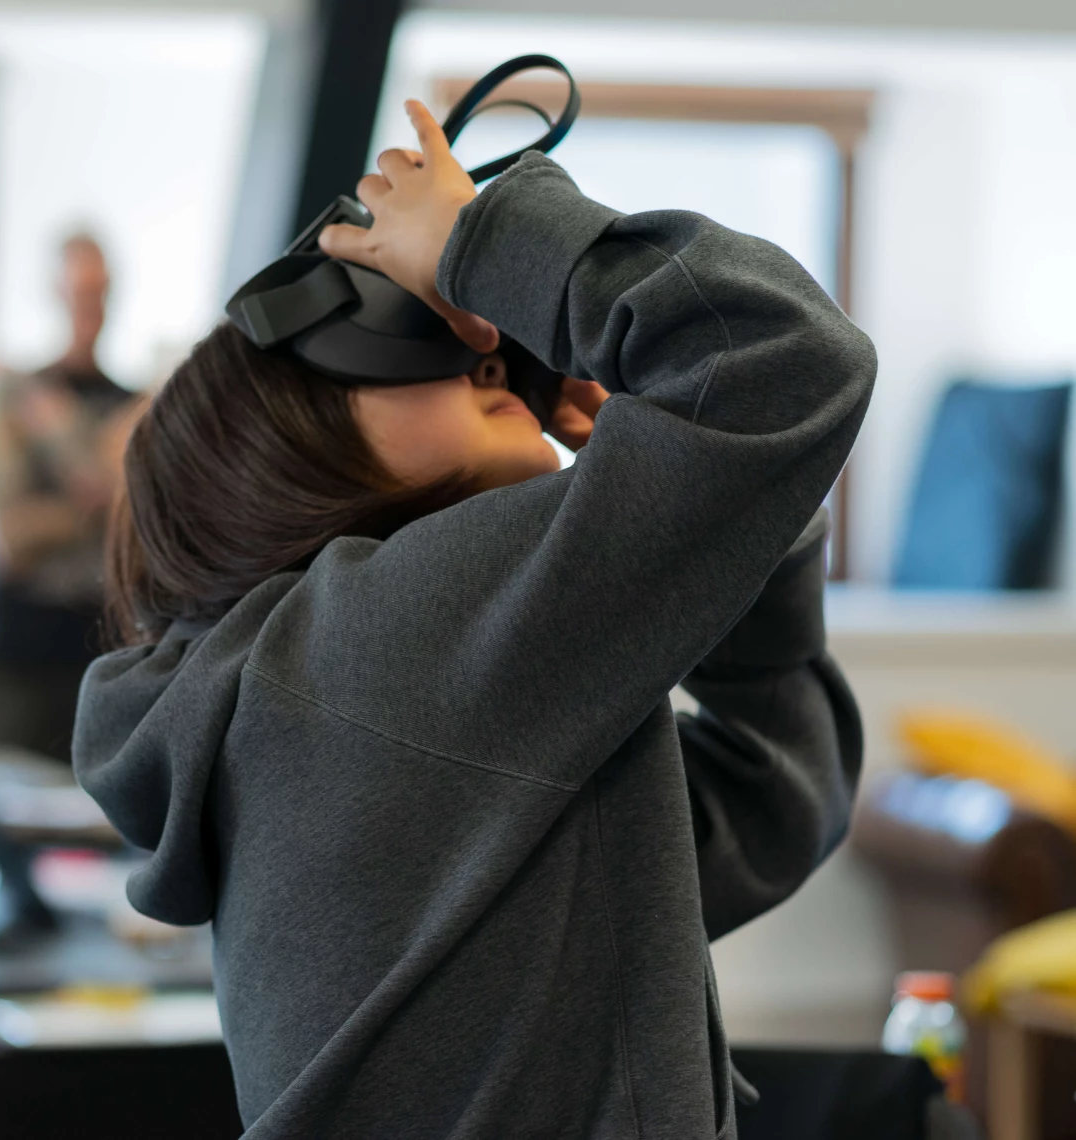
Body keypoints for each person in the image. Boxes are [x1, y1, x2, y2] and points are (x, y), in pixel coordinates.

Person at [75, 100, 873, 1138]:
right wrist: (478, 241)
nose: (488, 353)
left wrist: (727, 512)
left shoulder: (323, 695)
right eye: (427, 339)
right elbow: (781, 359)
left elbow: (768, 806)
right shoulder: (370, 650)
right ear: (279, 442)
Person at [0, 233, 138, 761]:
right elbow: (10, 540)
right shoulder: (17, 397)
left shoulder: (132, 402)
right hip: (25, 655)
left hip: (106, 653)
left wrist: (63, 441)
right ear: (55, 292)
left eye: (98, 290)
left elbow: (146, 537)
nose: (88, 305)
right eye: (77, 290)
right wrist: (103, 475)